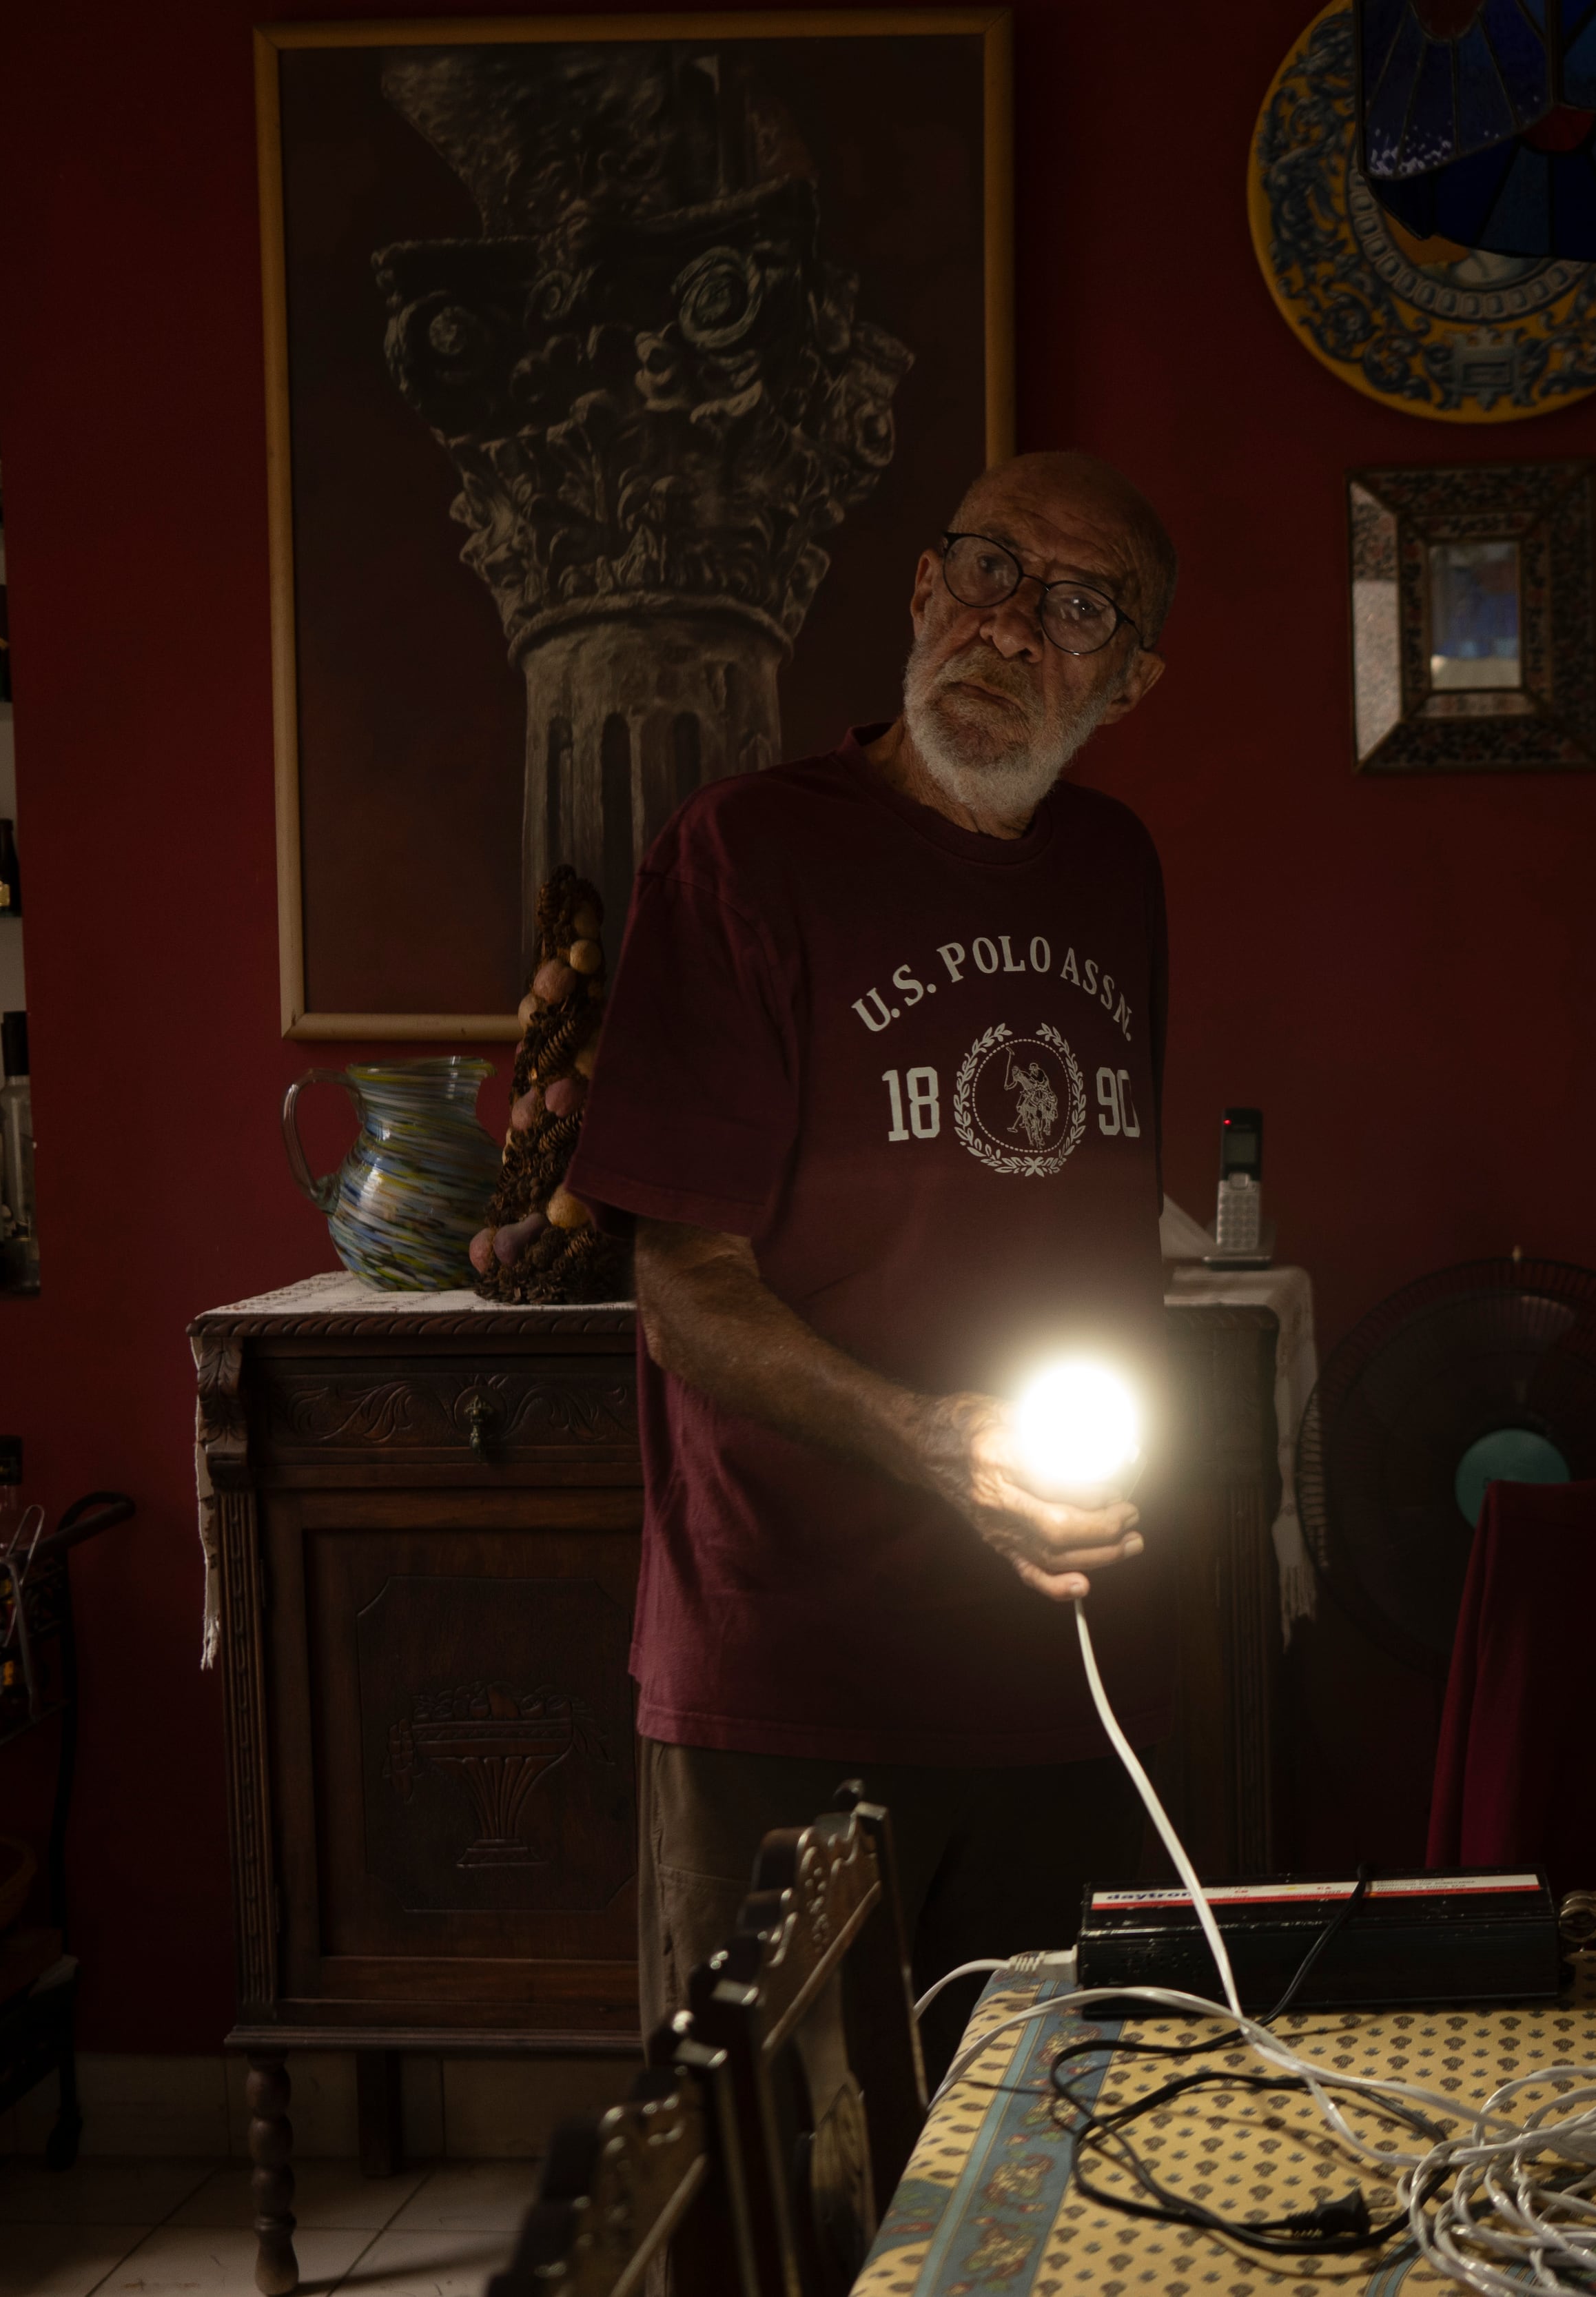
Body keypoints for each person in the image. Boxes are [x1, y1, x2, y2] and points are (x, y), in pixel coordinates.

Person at [566, 450, 1178, 2059]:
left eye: (1075, 604)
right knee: (782, 2194)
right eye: (985, 572)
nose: (1008, 624)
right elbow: (681, 1285)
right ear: (922, 592)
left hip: (1048, 1660)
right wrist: (933, 1438)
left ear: (1127, 677)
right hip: (792, 1662)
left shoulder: (1117, 870)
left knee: (1047, 2171)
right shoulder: (746, 853)